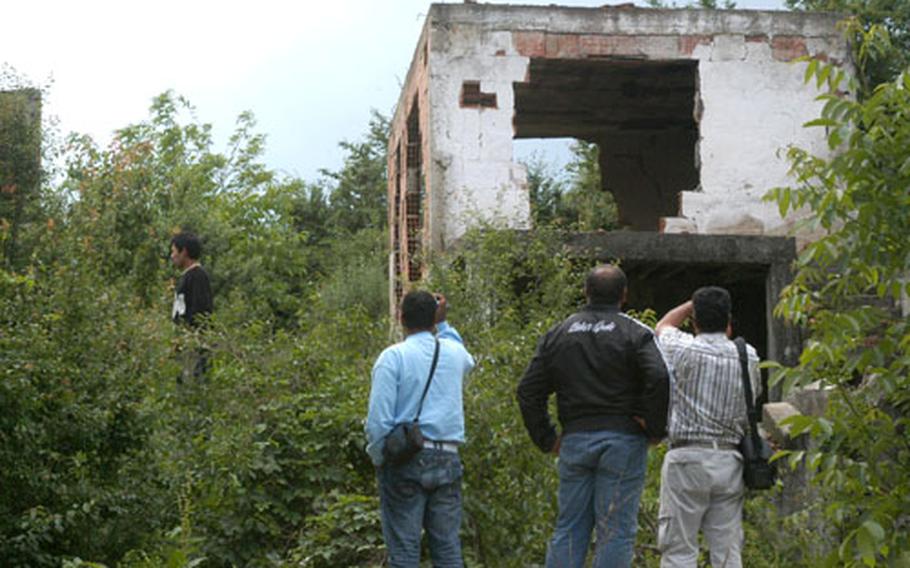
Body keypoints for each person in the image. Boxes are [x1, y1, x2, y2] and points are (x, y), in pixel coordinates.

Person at [517, 265, 671, 568]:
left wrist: (547, 439)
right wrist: (653, 427)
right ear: (624, 296)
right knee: (615, 531)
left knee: (569, 527)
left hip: (574, 441)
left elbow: (527, 391)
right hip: (623, 441)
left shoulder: (559, 333)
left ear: (585, 292)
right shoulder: (635, 332)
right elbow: (659, 377)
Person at [365, 290, 475, 567]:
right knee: (448, 548)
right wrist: (444, 323)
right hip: (448, 456)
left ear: (400, 318)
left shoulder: (392, 358)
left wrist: (380, 458)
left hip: (406, 459)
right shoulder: (454, 353)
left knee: (404, 550)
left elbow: (378, 420)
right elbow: (466, 357)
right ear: (434, 319)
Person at [654, 286, 760, 568]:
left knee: (678, 550)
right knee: (727, 552)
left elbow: (663, 326)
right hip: (729, 460)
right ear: (729, 322)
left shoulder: (682, 348)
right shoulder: (748, 355)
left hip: (686, 459)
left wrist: (691, 304)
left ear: (694, 321)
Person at [170, 231, 213, 382]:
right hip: (183, 345)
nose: (172, 255)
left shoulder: (198, 276)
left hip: (193, 347)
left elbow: (201, 312)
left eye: (174, 251)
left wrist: (192, 339)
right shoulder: (186, 276)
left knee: (192, 386)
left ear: (184, 252)